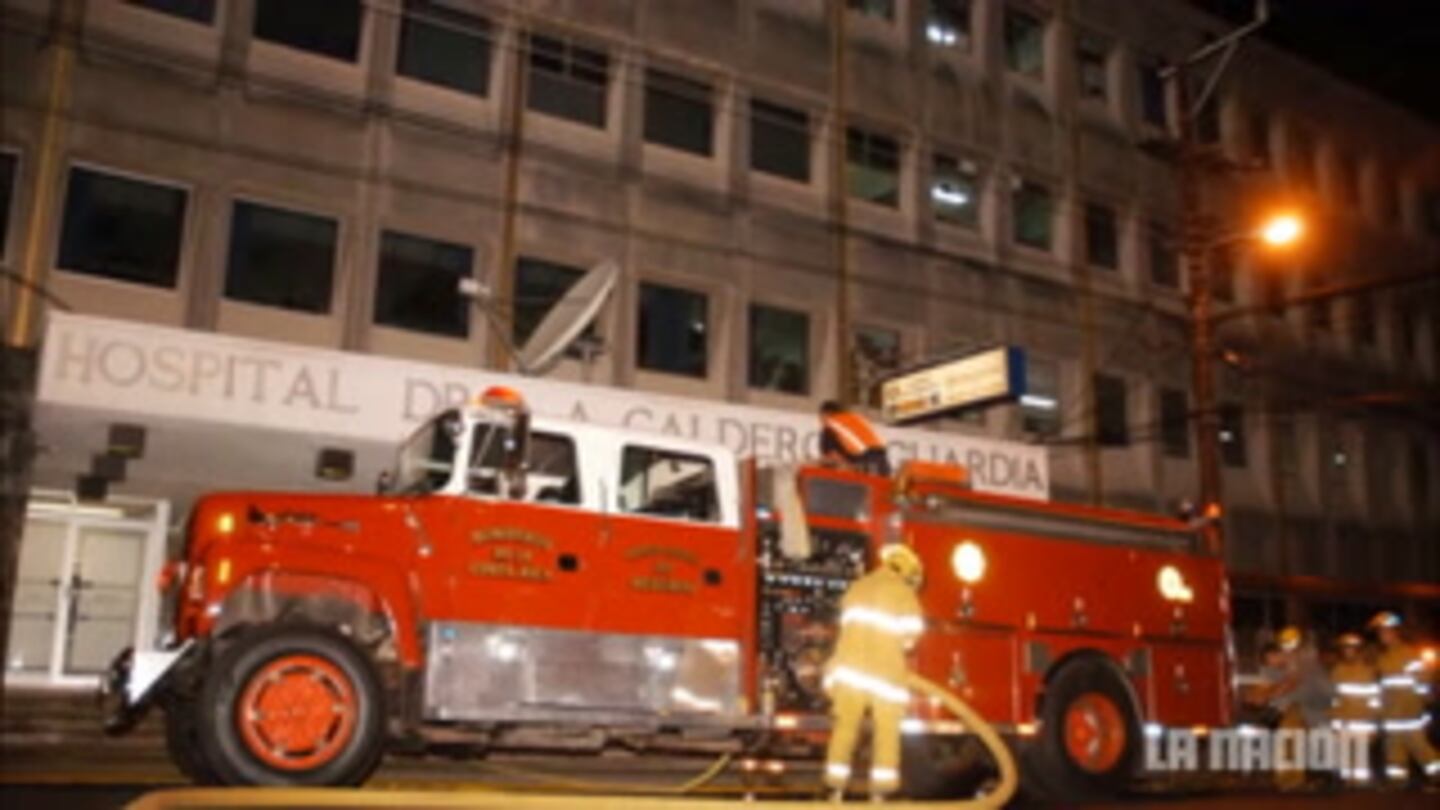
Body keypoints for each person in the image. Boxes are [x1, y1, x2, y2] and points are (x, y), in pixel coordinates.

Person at [823, 544, 925, 801]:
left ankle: (835, 789)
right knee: (886, 732)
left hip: (849, 672)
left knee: (845, 729)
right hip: (885, 675)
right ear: (906, 571)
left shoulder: (857, 587)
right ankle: (880, 794)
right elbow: (912, 635)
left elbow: (845, 628)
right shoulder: (902, 592)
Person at [1369, 611, 1440, 785]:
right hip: (1392, 714)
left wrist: (1422, 703)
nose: (1382, 636)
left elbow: (1423, 680)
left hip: (1409, 713)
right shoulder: (1383, 658)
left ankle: (1437, 775)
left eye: (1385, 631)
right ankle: (1397, 782)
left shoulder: (1408, 654)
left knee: (1421, 749)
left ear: (1395, 631)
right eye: (1379, 632)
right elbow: (1382, 688)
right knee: (1394, 752)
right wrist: (1379, 712)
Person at [1329, 633, 1379, 786]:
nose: (1348, 652)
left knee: (1360, 755)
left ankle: (1361, 783)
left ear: (1358, 650)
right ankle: (1346, 781)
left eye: (1351, 649)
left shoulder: (1368, 670)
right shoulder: (1338, 670)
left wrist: (1374, 724)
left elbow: (1375, 699)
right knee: (1345, 754)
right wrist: (1335, 723)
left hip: (1363, 720)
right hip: (1344, 720)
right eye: (1345, 649)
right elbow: (1334, 698)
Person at [820, 401, 891, 476]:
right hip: (884, 465)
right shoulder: (858, 419)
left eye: (821, 416)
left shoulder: (830, 426)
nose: (820, 421)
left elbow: (833, 457)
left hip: (865, 466)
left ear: (826, 414)